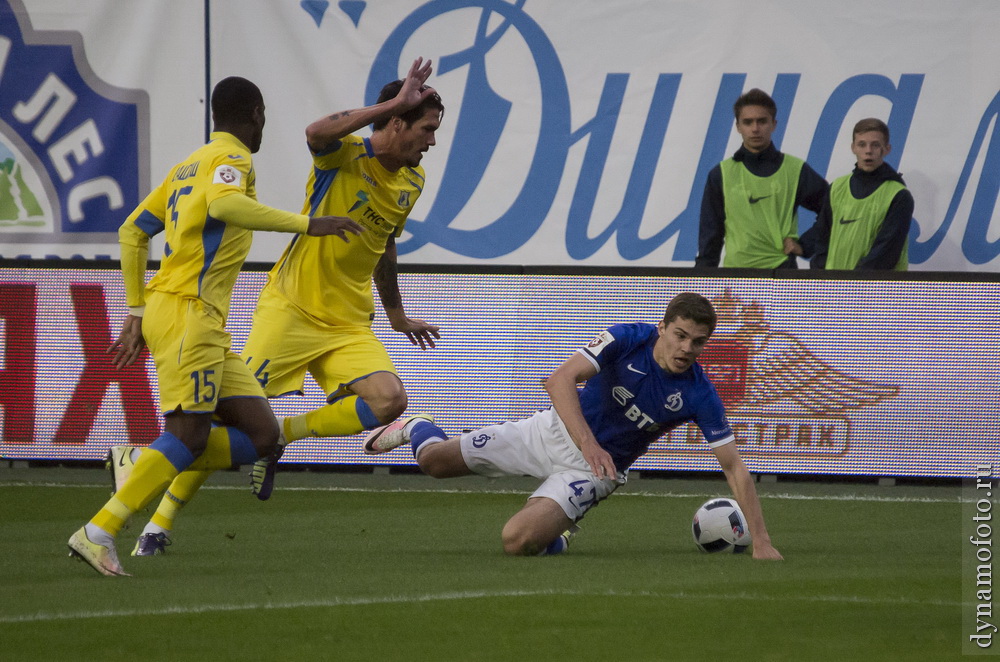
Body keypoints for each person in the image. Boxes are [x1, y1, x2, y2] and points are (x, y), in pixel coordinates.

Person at [108, 58, 445, 557]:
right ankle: (157, 525)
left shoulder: (412, 182)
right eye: (426, 128)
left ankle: (282, 435)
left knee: (390, 401)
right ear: (397, 122)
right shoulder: (346, 155)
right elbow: (316, 131)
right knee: (219, 424)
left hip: (348, 321)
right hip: (289, 309)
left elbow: (385, 244)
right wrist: (395, 99)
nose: (432, 141)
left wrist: (396, 314)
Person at [67, 76, 363, 576]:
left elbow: (133, 230)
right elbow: (225, 207)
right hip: (188, 314)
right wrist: (310, 222)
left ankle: (139, 462)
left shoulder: (188, 165)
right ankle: (98, 531)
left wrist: (137, 309)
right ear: (256, 115)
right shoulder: (235, 161)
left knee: (264, 435)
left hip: (187, 316)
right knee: (188, 436)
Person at [362, 292, 783, 560]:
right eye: (680, 335)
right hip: (551, 432)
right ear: (662, 328)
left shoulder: (700, 393)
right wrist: (588, 442)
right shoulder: (628, 337)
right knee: (434, 463)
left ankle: (555, 532)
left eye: (698, 342)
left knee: (518, 541)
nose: (687, 348)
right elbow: (559, 379)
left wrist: (761, 541)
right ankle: (417, 424)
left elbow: (734, 467)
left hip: (592, 473)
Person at [696, 88, 828, 269]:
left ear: (774, 124)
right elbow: (710, 236)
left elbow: (834, 208)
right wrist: (702, 280)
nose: (755, 128)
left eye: (762, 121)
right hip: (736, 278)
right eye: (748, 122)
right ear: (738, 127)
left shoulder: (794, 170)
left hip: (782, 275)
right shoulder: (721, 174)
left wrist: (806, 245)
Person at [810, 118, 914, 270]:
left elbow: (886, 253)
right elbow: (821, 241)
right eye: (862, 144)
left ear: (887, 149)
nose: (868, 150)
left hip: (877, 290)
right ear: (853, 148)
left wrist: (854, 284)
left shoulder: (899, 196)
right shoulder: (836, 188)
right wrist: (822, 278)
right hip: (834, 287)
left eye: (875, 145)